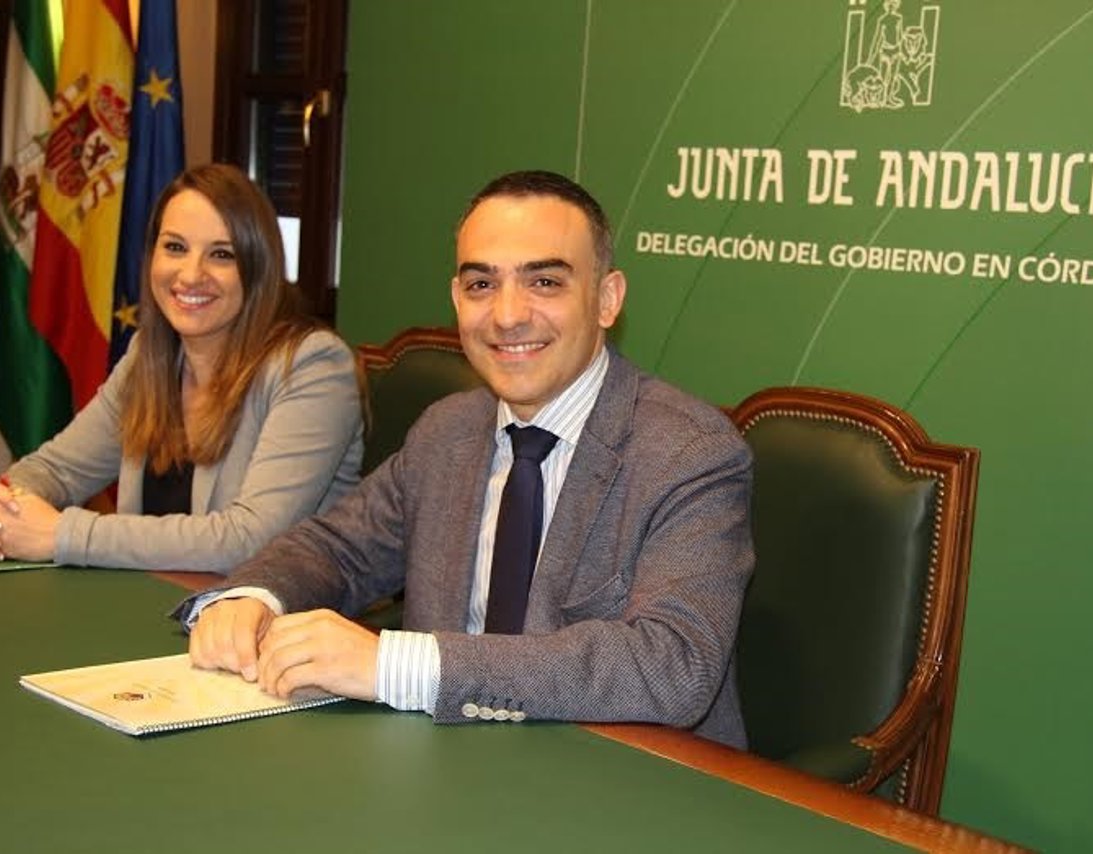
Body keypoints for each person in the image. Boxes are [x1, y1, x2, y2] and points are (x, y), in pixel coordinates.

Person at [184, 170, 754, 746]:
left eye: (545, 282)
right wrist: (252, 597)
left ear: (607, 299)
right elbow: (339, 548)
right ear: (457, 299)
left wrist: (396, 665)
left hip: (626, 789)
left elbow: (674, 665)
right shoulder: (448, 430)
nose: (507, 315)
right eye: (482, 285)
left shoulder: (690, 453)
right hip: (446, 772)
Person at [0, 163, 364, 573]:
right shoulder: (151, 357)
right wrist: (3, 509)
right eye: (174, 247)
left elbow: (251, 539)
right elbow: (57, 470)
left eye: (221, 255)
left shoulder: (313, 366)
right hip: (152, 605)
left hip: (270, 622)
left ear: (258, 267)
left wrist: (64, 534)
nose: (191, 275)